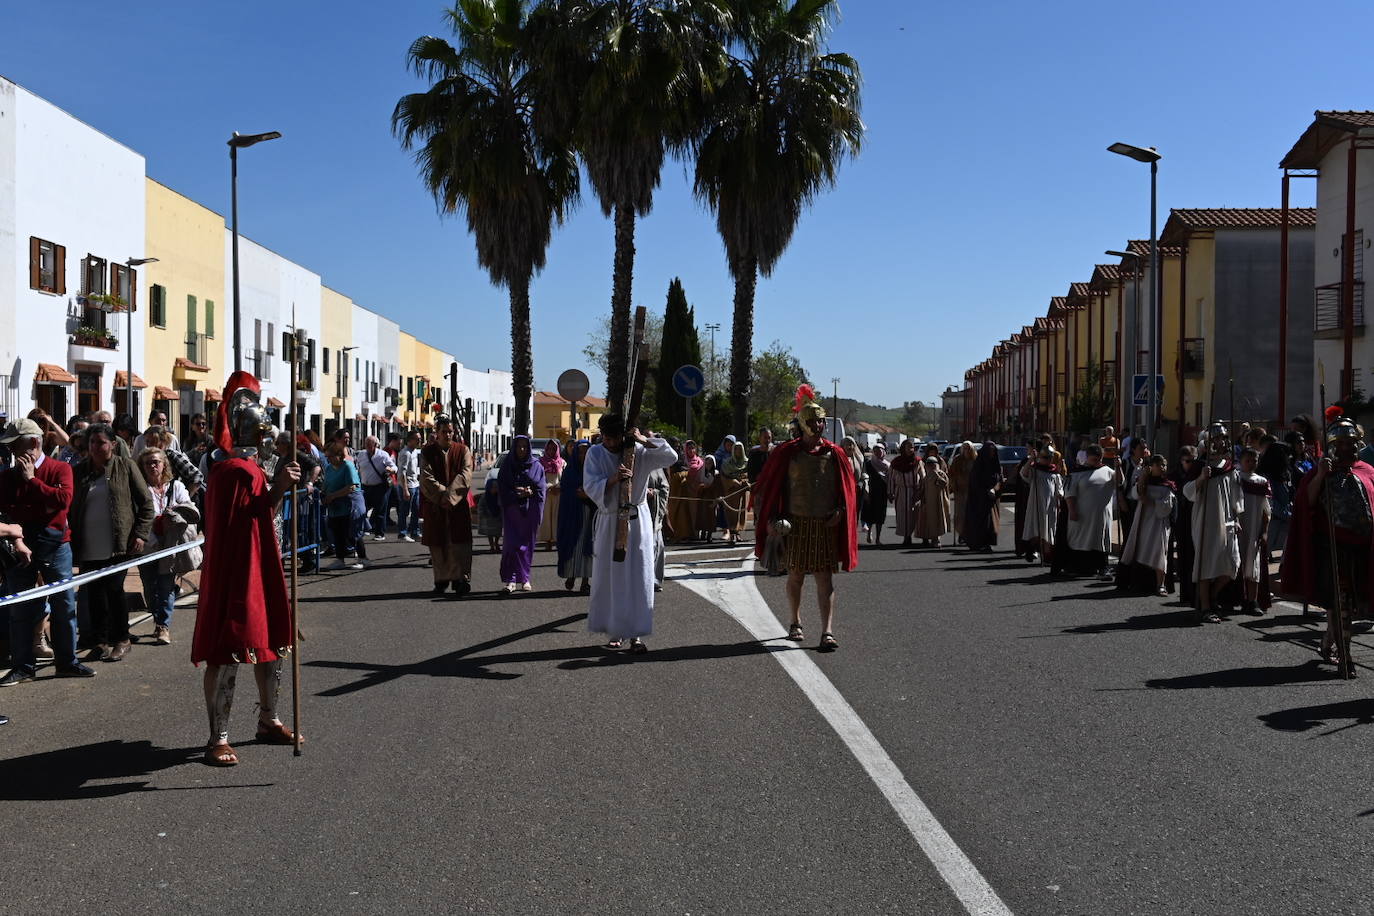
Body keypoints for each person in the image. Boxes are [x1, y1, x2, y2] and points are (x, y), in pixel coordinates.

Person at [192, 371, 302, 766]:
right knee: (231, 648)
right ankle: (217, 737)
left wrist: (277, 484)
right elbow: (245, 522)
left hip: (262, 563)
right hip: (238, 572)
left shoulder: (249, 467)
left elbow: (259, 519)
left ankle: (268, 720)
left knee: (271, 642)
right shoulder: (231, 470)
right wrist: (277, 490)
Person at [752, 385, 858, 651]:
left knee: (825, 578)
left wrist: (841, 512)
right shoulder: (787, 453)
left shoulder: (835, 453)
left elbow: (847, 491)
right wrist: (773, 518)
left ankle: (827, 631)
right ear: (802, 422)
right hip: (795, 525)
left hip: (824, 525)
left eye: (821, 420)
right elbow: (769, 486)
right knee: (796, 575)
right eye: (812, 420)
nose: (818, 425)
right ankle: (795, 622)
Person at [0, 418, 97, 686]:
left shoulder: (60, 468)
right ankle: (22, 666)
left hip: (56, 547)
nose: (10, 453)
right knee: (21, 609)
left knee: (64, 605)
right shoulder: (6, 476)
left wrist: (32, 482)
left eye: (14, 446)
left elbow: (63, 501)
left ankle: (67, 662)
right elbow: (8, 508)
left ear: (33, 443)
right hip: (20, 550)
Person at [1282, 408, 1374, 668]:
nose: (1347, 448)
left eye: (1351, 443)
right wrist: (1322, 474)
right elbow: (1306, 502)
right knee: (1340, 602)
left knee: (1351, 606)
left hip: (1362, 548)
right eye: (1342, 443)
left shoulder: (1367, 470)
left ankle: (1327, 641)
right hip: (1333, 548)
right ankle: (1346, 657)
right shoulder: (1323, 470)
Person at [583, 415, 678, 652]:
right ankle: (615, 632)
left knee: (639, 575)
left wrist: (644, 439)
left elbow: (671, 457)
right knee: (611, 577)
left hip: (637, 521)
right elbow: (590, 485)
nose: (610, 442)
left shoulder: (639, 451)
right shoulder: (595, 453)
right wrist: (613, 479)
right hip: (610, 520)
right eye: (605, 437)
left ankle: (636, 634)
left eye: (614, 437)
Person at [70, 423, 154, 664]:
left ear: (113, 445)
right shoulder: (79, 471)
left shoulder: (125, 467)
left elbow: (146, 504)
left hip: (118, 543)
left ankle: (122, 639)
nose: (96, 447)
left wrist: (140, 534)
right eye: (92, 442)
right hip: (88, 544)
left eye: (101, 442)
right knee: (94, 594)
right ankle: (100, 641)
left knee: (114, 591)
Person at [1183, 423, 1245, 623]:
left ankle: (1212, 595)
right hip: (1206, 521)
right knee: (1206, 564)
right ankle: (1206, 607)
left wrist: (1237, 517)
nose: (1221, 442)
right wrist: (1202, 477)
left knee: (1232, 564)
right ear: (1208, 442)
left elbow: (1236, 495)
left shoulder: (1229, 467)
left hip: (1228, 521)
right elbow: (1188, 492)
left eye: (1223, 438)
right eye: (1216, 439)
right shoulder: (1201, 466)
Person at [419, 416, 475, 595]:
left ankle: (461, 579)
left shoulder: (463, 450)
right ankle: (441, 581)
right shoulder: (427, 452)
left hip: (457, 506)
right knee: (438, 544)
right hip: (436, 506)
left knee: (460, 544)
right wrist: (442, 495)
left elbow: (465, 475)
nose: (448, 434)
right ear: (437, 432)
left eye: (450, 431)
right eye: (444, 431)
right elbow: (426, 477)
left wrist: (450, 497)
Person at [1055, 445, 1117, 578]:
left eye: (1099, 458)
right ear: (1087, 457)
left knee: (1100, 540)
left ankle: (1102, 567)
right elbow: (1069, 493)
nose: (1097, 461)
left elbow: (1120, 483)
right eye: (1094, 459)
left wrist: (1119, 467)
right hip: (1082, 515)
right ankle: (1078, 567)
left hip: (1102, 516)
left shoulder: (1108, 471)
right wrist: (1072, 510)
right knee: (1081, 540)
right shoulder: (1077, 473)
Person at [1116, 455, 1176, 595]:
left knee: (1160, 551)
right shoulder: (1143, 482)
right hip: (1143, 521)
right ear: (1151, 467)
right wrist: (1143, 477)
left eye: (1164, 465)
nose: (1162, 468)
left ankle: (1160, 584)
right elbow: (1135, 494)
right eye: (1159, 464)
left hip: (1159, 523)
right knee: (1140, 549)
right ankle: (1139, 583)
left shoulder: (1168, 485)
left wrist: (1151, 502)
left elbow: (1167, 507)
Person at [497, 436, 546, 593]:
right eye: (519, 447)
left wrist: (530, 492)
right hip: (512, 511)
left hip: (529, 512)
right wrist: (516, 493)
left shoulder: (536, 466)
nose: (522, 450)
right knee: (511, 545)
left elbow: (541, 489)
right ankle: (510, 580)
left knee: (526, 547)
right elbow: (502, 487)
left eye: (525, 447)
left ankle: (524, 578)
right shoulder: (507, 466)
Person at [1236, 447, 1272, 615]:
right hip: (1237, 527)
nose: (1251, 464)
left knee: (1253, 564)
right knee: (1235, 562)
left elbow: (1266, 511)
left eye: (1254, 461)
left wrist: (1264, 531)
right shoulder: (1235, 478)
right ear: (1241, 461)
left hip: (1254, 528)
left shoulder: (1261, 481)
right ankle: (1235, 597)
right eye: (1247, 461)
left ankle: (1252, 600)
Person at [556, 440, 595, 592]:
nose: (583, 454)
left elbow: (601, 488)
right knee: (572, 544)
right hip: (572, 513)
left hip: (590, 513)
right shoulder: (570, 470)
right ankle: (571, 575)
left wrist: (589, 495)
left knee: (589, 546)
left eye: (586, 451)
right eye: (580, 451)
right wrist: (577, 494)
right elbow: (565, 491)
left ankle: (585, 581)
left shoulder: (595, 469)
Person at [322, 444, 367, 571]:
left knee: (354, 533)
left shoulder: (348, 466)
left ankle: (363, 558)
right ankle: (340, 559)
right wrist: (324, 494)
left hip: (350, 505)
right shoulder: (329, 468)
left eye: (330, 456)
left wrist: (333, 496)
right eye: (327, 457)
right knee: (338, 533)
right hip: (335, 507)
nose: (328, 459)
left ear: (339, 455)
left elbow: (352, 486)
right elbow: (326, 484)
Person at [1020, 444, 1063, 565]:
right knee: (1035, 527)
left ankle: (1048, 554)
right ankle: (1031, 549)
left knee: (1049, 529)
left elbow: (1059, 488)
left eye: (1049, 458)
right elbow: (1023, 474)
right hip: (1036, 504)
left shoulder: (1055, 472)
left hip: (1050, 506)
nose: (1047, 460)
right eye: (1045, 458)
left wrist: (1060, 495)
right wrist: (1031, 460)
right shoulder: (1034, 469)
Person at [963, 442, 1003, 552]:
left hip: (992, 499)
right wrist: (986, 490)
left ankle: (987, 542)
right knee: (981, 522)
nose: (992, 453)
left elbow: (999, 478)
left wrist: (995, 488)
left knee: (991, 523)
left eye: (993, 451)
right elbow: (975, 481)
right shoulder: (979, 464)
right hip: (979, 499)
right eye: (990, 451)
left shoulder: (995, 463)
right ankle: (979, 543)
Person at [357, 435, 397, 540]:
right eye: (366, 444)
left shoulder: (383, 455)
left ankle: (379, 533)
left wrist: (391, 469)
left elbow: (394, 467)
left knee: (380, 510)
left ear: (376, 445)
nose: (368, 447)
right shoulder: (361, 454)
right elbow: (357, 467)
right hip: (365, 486)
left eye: (370, 445)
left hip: (380, 486)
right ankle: (365, 528)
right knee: (363, 509)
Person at [914, 455, 951, 547]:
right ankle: (925, 538)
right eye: (929, 464)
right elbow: (922, 488)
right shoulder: (926, 477)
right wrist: (918, 497)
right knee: (924, 520)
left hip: (938, 502)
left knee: (937, 520)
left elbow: (944, 484)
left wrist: (936, 474)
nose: (930, 466)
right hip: (926, 501)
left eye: (932, 464)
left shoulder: (941, 474)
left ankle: (936, 539)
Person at [668, 440, 701, 541]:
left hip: (684, 486)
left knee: (684, 512)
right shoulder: (668, 455)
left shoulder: (682, 455)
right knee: (674, 511)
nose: (676, 447)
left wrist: (684, 474)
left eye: (678, 445)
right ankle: (673, 533)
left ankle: (686, 534)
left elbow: (686, 468)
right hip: (674, 485)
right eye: (674, 445)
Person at [889, 439, 920, 547]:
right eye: (908, 447)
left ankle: (919, 536)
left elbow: (923, 477)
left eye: (912, 447)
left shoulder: (917, 462)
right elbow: (891, 478)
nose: (910, 449)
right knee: (902, 515)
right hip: (900, 492)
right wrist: (890, 492)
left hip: (913, 491)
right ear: (903, 448)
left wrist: (920, 492)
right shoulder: (896, 463)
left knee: (914, 515)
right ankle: (906, 537)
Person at [719, 440, 751, 545]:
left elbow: (749, 474)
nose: (738, 451)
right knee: (731, 512)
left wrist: (745, 481)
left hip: (742, 491)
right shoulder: (727, 463)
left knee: (741, 512)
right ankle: (732, 534)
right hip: (731, 491)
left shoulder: (747, 462)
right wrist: (732, 482)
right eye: (736, 449)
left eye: (740, 449)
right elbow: (723, 476)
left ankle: (737, 533)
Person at [394, 430, 423, 542]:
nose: (419, 440)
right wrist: (405, 489)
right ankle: (402, 533)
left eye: (420, 438)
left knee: (416, 510)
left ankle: (415, 531)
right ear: (410, 440)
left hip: (415, 484)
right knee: (404, 511)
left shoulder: (415, 451)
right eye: (417, 439)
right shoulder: (405, 453)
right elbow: (402, 472)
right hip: (408, 486)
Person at [537, 439, 564, 551]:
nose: (551, 451)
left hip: (558, 493)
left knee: (557, 518)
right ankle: (547, 541)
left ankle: (556, 540)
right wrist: (547, 488)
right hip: (546, 494)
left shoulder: (562, 463)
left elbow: (564, 478)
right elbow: (538, 478)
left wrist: (559, 488)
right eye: (549, 448)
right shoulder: (540, 462)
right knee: (546, 518)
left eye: (554, 448)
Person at [646, 463, 670, 590]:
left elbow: (665, 488)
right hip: (637, 514)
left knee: (657, 546)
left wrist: (654, 492)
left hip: (654, 515)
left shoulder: (656, 467)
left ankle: (654, 579)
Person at [947, 441, 975, 545]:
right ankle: (961, 534)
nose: (966, 450)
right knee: (960, 514)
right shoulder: (957, 460)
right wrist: (953, 484)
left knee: (970, 514)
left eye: (968, 448)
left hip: (971, 491)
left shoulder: (975, 459)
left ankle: (969, 534)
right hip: (960, 491)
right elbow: (951, 474)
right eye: (965, 448)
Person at [862, 443, 890, 545]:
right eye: (876, 450)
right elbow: (865, 477)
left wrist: (890, 493)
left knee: (880, 517)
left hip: (882, 493)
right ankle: (869, 533)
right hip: (871, 492)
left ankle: (878, 538)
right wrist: (866, 492)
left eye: (880, 450)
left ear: (884, 451)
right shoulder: (869, 464)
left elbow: (890, 480)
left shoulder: (887, 465)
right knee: (870, 515)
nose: (878, 452)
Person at [478, 473, 502, 554]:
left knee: (498, 532)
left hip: (498, 517)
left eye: (496, 488)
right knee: (490, 533)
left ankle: (496, 543)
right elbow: (480, 506)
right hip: (488, 518)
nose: (495, 489)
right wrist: (482, 514)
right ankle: (492, 545)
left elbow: (502, 505)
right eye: (493, 488)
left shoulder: (499, 496)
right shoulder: (485, 496)